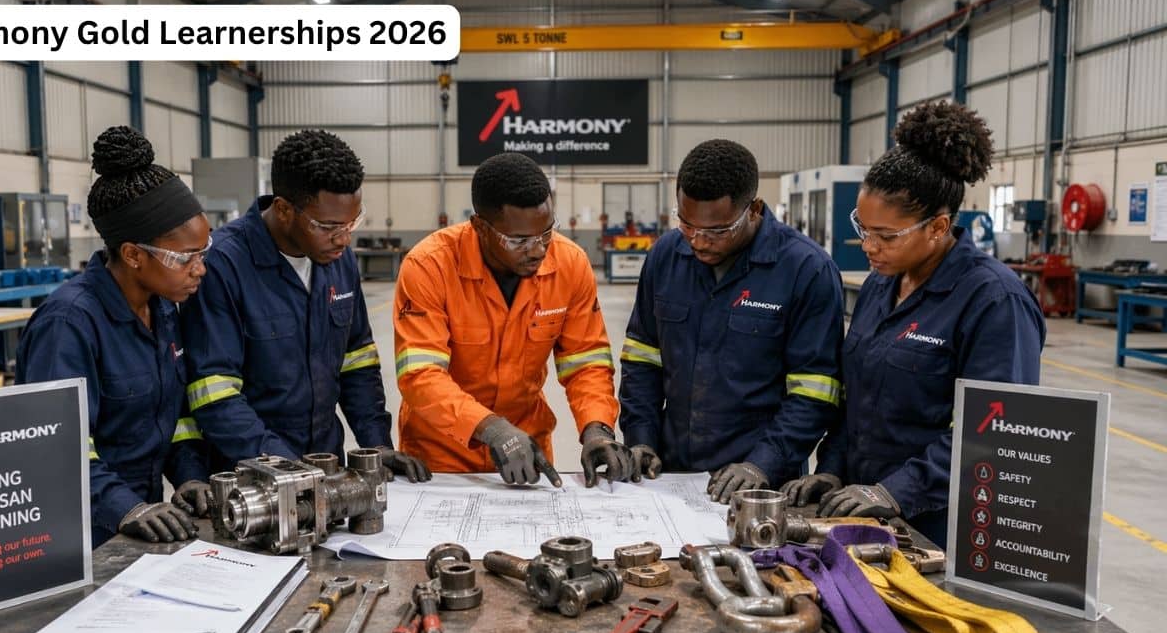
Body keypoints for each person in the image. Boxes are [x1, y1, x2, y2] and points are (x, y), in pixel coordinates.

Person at [782, 100, 1045, 548]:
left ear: (938, 226)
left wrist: (894, 491)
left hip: (941, 524)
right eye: (862, 228)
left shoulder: (993, 302)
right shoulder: (879, 288)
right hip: (860, 509)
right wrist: (833, 468)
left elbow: (993, 432)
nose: (868, 246)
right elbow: (855, 401)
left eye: (885, 236)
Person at [179, 130, 429, 482]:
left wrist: (377, 447)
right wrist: (288, 468)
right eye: (327, 226)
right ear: (283, 209)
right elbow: (213, 394)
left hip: (325, 466)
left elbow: (357, 362)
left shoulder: (337, 260)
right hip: (250, 477)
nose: (343, 238)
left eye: (351, 223)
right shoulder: (222, 266)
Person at [393, 152, 640, 488]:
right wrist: (492, 429)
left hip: (529, 449)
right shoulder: (429, 267)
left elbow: (586, 363)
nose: (538, 250)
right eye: (519, 240)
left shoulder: (570, 265)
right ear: (480, 227)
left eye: (546, 232)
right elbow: (420, 376)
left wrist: (597, 428)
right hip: (441, 455)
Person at [16, 126, 212, 547]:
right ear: (133, 255)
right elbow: (55, 446)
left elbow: (173, 416)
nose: (200, 269)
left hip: (143, 524)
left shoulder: (162, 309)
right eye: (186, 257)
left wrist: (189, 475)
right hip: (80, 532)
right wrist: (125, 507)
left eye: (203, 252)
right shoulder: (68, 325)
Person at [619, 139, 844, 503]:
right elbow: (642, 359)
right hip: (670, 474)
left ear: (753, 209)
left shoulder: (805, 270)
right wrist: (641, 438)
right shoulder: (666, 256)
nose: (698, 241)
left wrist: (762, 464)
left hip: (760, 485)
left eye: (717, 231)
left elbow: (815, 392)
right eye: (686, 224)